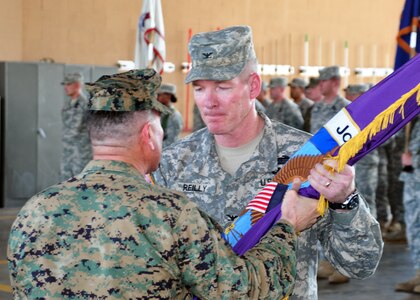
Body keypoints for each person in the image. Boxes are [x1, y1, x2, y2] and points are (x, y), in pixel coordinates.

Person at [8, 68, 320, 299]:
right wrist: (287, 227)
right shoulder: (171, 214)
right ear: (147, 135)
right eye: (158, 128)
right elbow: (243, 291)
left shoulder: (35, 211)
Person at [154, 25, 383, 300]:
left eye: (222, 87)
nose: (208, 102)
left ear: (253, 86)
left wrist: (345, 201)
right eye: (200, 89)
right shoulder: (172, 163)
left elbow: (360, 264)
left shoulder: (306, 156)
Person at [345, 84, 379, 218]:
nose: (349, 97)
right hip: (350, 164)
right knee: (351, 200)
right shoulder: (351, 111)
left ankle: (372, 234)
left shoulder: (374, 111)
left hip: (366, 163)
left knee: (367, 199)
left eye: (352, 95)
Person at [395, 116, 420, 294]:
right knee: (414, 227)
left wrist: (415, 161)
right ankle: (419, 272)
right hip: (413, 180)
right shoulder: (415, 118)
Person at [60, 72, 92, 180]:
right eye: (65, 84)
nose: (65, 87)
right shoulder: (68, 103)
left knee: (80, 183)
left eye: (68, 84)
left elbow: (75, 128)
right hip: (68, 152)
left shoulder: (84, 103)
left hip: (81, 153)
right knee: (65, 182)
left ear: (77, 85)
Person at [308, 66, 350, 134]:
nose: (320, 84)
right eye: (319, 81)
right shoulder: (316, 107)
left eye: (324, 81)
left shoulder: (346, 107)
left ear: (335, 82)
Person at [157, 83, 184, 147]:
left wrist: (154, 147)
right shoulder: (160, 113)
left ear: (169, 96)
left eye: (160, 95)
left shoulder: (174, 116)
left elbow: (171, 142)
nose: (158, 98)